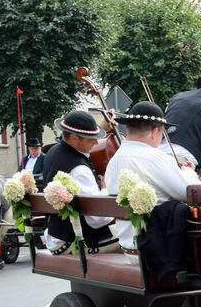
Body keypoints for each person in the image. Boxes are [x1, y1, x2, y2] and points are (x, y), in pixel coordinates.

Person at [105, 101, 191, 250]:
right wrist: (188, 172)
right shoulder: (154, 157)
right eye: (162, 133)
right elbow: (188, 193)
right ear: (154, 131)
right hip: (155, 248)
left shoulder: (114, 160)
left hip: (126, 246)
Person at [40, 110, 119, 255]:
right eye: (91, 139)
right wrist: (105, 190)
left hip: (54, 233)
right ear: (74, 137)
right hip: (72, 241)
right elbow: (96, 219)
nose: (96, 143)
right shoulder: (79, 169)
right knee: (135, 235)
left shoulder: (54, 151)